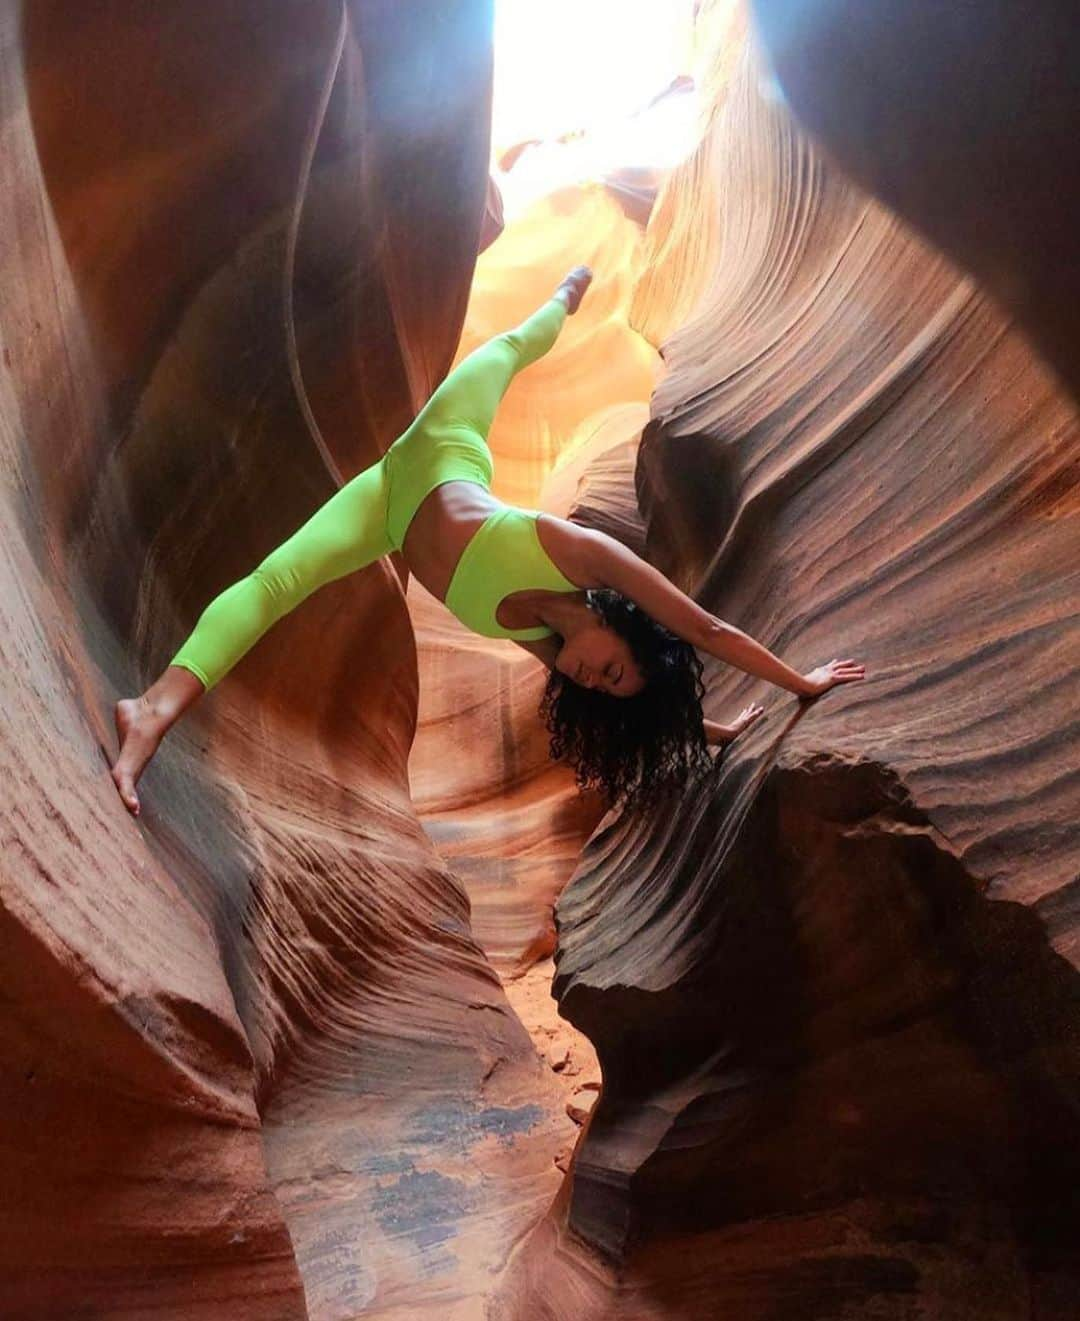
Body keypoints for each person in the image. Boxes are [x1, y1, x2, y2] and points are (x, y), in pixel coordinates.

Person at [111, 266, 864, 817]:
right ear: (615, 620)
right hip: (448, 435)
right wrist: (803, 683)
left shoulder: (541, 641)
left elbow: (644, 709)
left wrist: (718, 729)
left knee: (278, 582)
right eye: (607, 667)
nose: (588, 676)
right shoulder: (579, 553)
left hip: (387, 504)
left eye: (597, 687)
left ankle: (150, 710)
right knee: (511, 347)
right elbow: (703, 627)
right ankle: (568, 293)